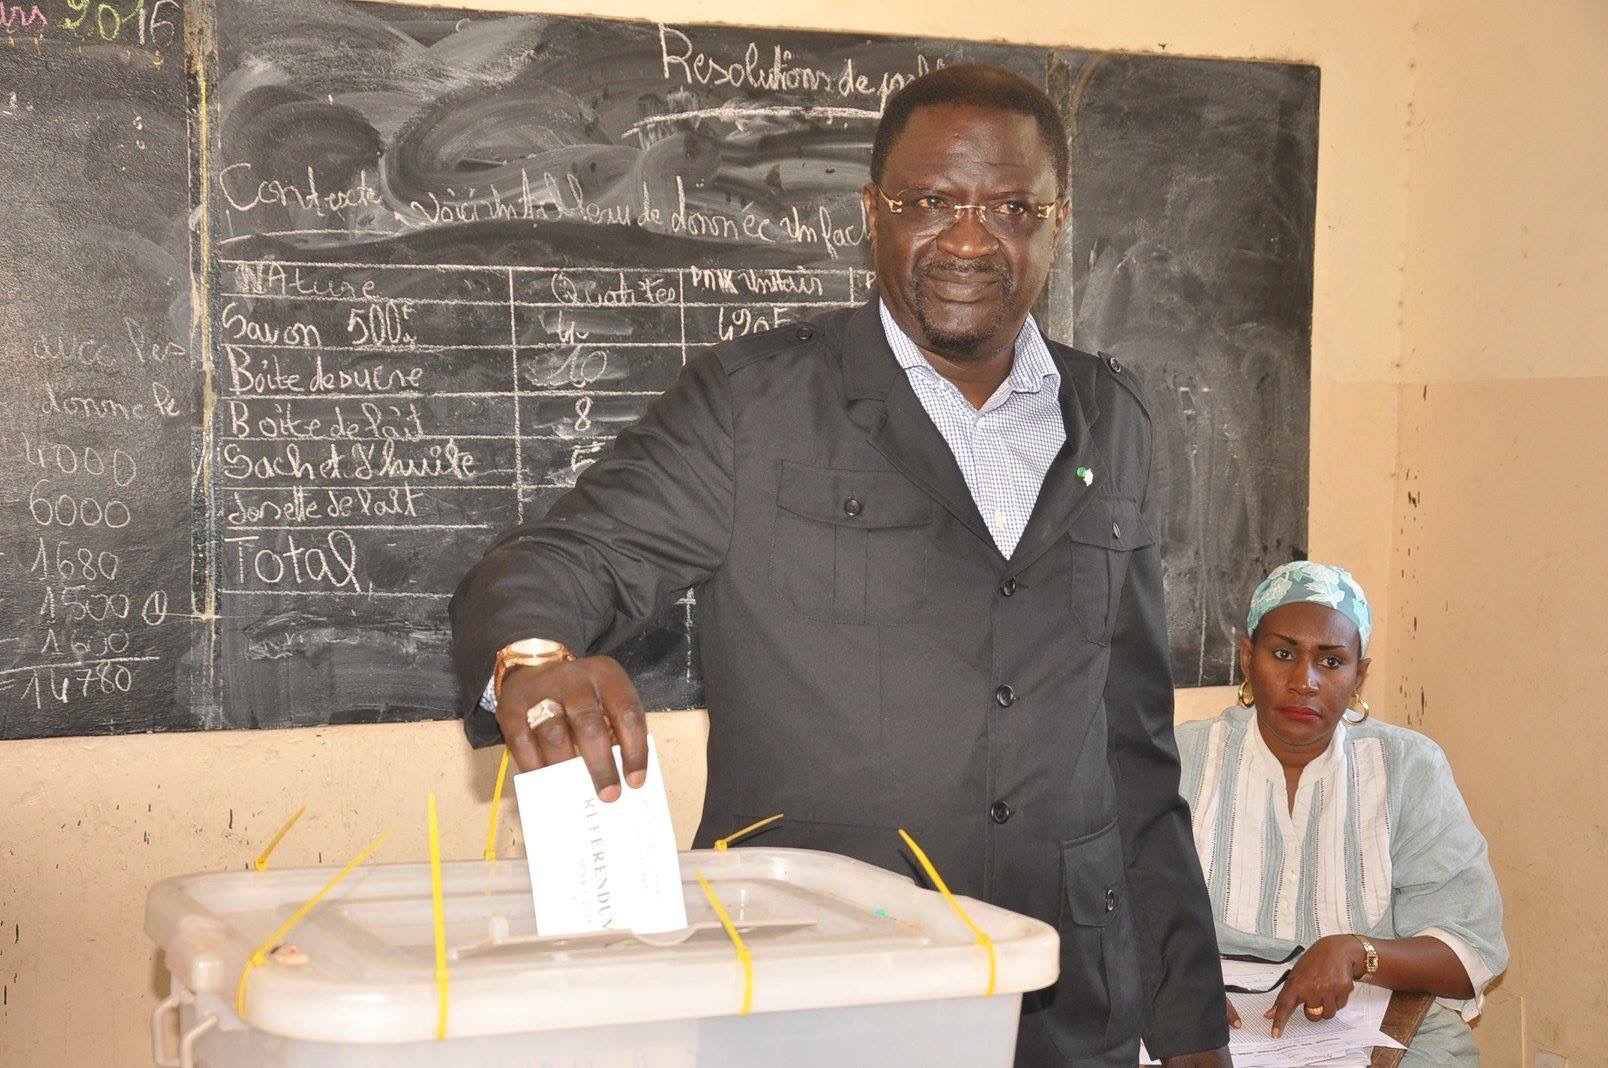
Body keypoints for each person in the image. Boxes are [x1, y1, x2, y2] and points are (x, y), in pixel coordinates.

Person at [452, 63, 1231, 1066]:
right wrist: (531, 652)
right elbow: (567, 556)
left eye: (1008, 206)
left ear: (1056, 219)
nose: (966, 238)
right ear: (872, 211)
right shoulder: (755, 403)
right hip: (822, 998)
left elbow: (1134, 750)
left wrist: (1188, 1020)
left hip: (1063, 999)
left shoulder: (1112, 416)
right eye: (929, 202)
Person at [1176, 562, 1507, 1063]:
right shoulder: (1182, 759)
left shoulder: (1407, 768)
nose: (1304, 681)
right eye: (1282, 653)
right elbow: (1107, 908)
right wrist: (1171, 979)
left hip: (1375, 1026)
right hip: (1204, 1023)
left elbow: (1470, 950)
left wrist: (1358, 952)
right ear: (1248, 658)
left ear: (1359, 676)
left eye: (1331, 662)